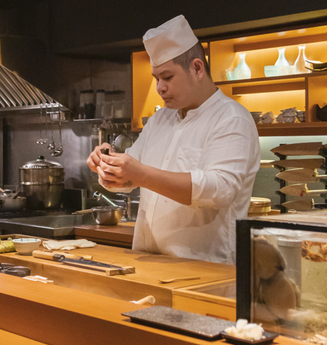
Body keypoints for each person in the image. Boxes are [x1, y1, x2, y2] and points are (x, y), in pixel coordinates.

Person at [86, 15, 260, 264]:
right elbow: (127, 179)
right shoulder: (160, 119)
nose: (160, 88)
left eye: (167, 77)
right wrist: (107, 166)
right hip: (148, 261)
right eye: (157, 79)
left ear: (197, 68)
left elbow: (220, 190)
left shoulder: (231, 117)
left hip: (203, 267)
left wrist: (142, 175)